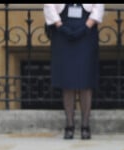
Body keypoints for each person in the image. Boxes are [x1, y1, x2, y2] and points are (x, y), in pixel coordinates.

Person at [44, 4, 104, 140]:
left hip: (86, 31)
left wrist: (87, 26)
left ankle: (85, 125)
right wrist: (59, 25)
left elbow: (99, 6)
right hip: (62, 30)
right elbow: (49, 5)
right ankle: (69, 124)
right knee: (67, 80)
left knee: (85, 79)